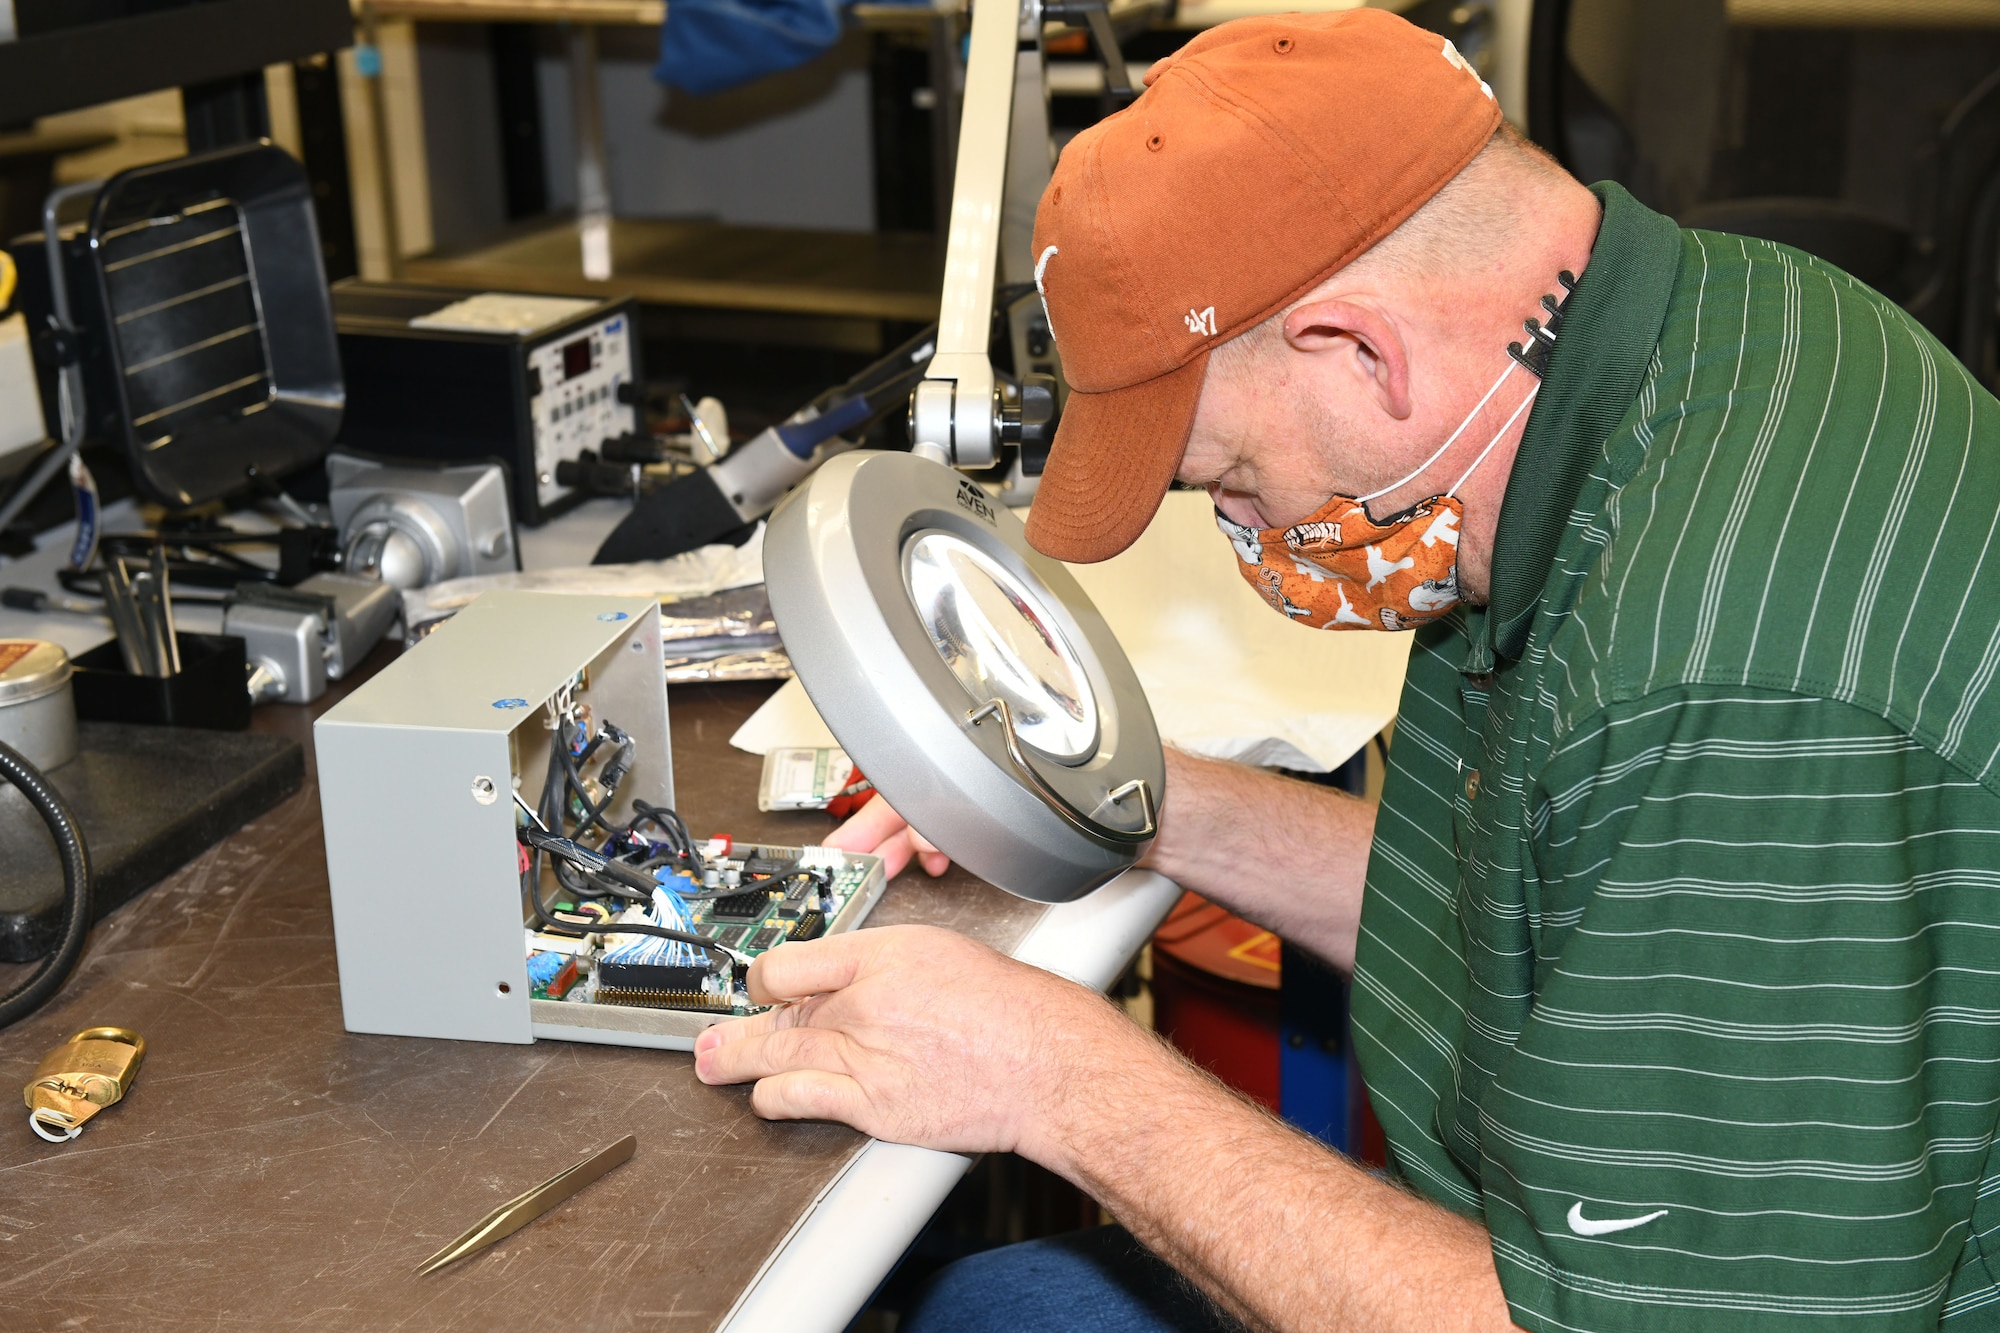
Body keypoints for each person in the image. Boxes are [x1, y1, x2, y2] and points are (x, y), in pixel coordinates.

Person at [695, 9, 2000, 1329]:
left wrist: (1050, 1077)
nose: (1251, 534)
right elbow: (1520, 905)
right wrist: (1126, 796)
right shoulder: (1649, 370)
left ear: (1362, 350)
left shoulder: (1723, 683)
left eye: (1233, 481)